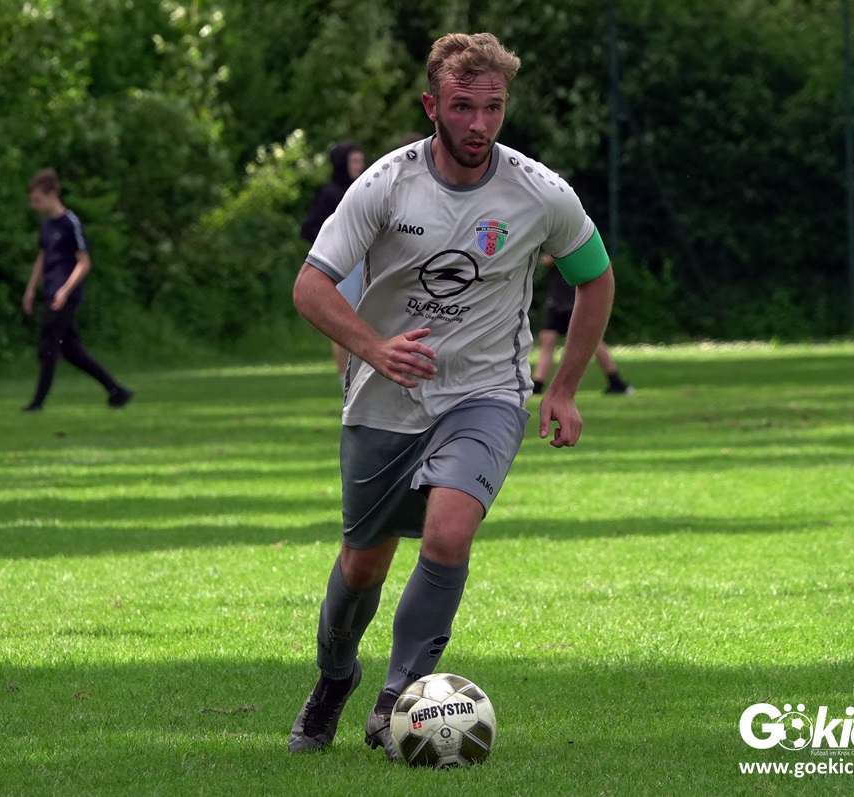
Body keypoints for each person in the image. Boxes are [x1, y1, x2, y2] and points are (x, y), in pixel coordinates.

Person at [288, 32, 615, 760]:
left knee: (448, 533)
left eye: (493, 108)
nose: (479, 123)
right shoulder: (386, 184)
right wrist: (375, 349)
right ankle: (335, 678)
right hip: (384, 400)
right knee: (361, 565)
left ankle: (398, 699)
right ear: (431, 105)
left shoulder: (539, 193)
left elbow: (595, 277)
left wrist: (563, 387)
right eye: (463, 107)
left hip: (485, 394)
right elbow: (310, 285)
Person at [21, 169, 133, 412]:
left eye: (37, 200)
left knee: (48, 344)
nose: (34, 206)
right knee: (71, 350)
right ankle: (117, 391)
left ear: (52, 194)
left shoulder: (70, 223)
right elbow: (42, 257)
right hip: (51, 290)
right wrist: (30, 288)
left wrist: (65, 291)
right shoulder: (46, 225)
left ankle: (37, 403)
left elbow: (84, 262)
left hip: (65, 294)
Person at [301, 141, 367, 374]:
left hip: (366, 262)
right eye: (354, 161)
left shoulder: (364, 190)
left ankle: (361, 375)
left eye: (360, 161)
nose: (359, 166)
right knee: (344, 320)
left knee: (367, 318)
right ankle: (344, 377)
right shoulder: (330, 194)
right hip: (344, 266)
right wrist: (336, 245)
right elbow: (309, 228)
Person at [532, 254, 634, 395]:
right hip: (557, 300)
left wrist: (551, 258)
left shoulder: (572, 243)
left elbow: (563, 256)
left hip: (573, 298)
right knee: (547, 339)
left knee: (591, 339)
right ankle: (537, 386)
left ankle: (616, 381)